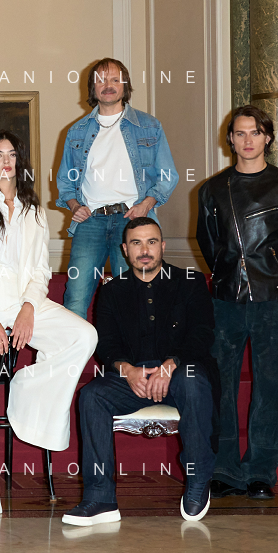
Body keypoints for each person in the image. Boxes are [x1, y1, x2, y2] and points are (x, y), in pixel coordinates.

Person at [0, 130, 97, 512]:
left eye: (12, 154)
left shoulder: (34, 211)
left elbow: (41, 270)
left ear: (20, 161)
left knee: (82, 336)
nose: (6, 161)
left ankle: (25, 394)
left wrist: (30, 308)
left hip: (23, 304)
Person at [198, 105, 278, 500]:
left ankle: (261, 471)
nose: (247, 140)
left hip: (274, 303)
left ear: (267, 137)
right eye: (240, 133)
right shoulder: (212, 190)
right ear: (230, 139)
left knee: (272, 387)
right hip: (225, 302)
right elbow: (209, 244)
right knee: (221, 387)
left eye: (255, 132)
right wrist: (229, 278)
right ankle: (223, 468)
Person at [64, 217, 220, 526]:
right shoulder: (112, 290)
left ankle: (198, 480)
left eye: (151, 242)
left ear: (163, 246)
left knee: (193, 381)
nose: (144, 250)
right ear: (125, 249)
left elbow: (202, 334)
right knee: (92, 396)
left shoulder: (189, 281)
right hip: (132, 376)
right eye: (136, 243)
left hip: (180, 371)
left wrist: (170, 365)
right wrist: (127, 370)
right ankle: (100, 498)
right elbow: (106, 342)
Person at [56, 58, 178, 319]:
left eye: (115, 79)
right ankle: (74, 348)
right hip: (90, 222)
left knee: (134, 298)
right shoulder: (76, 131)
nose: (108, 85)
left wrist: (146, 204)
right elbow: (65, 181)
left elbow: (168, 176)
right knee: (75, 297)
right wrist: (74, 206)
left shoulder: (149, 126)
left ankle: (133, 349)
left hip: (132, 221)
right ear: (92, 88)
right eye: (101, 80)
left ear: (125, 85)